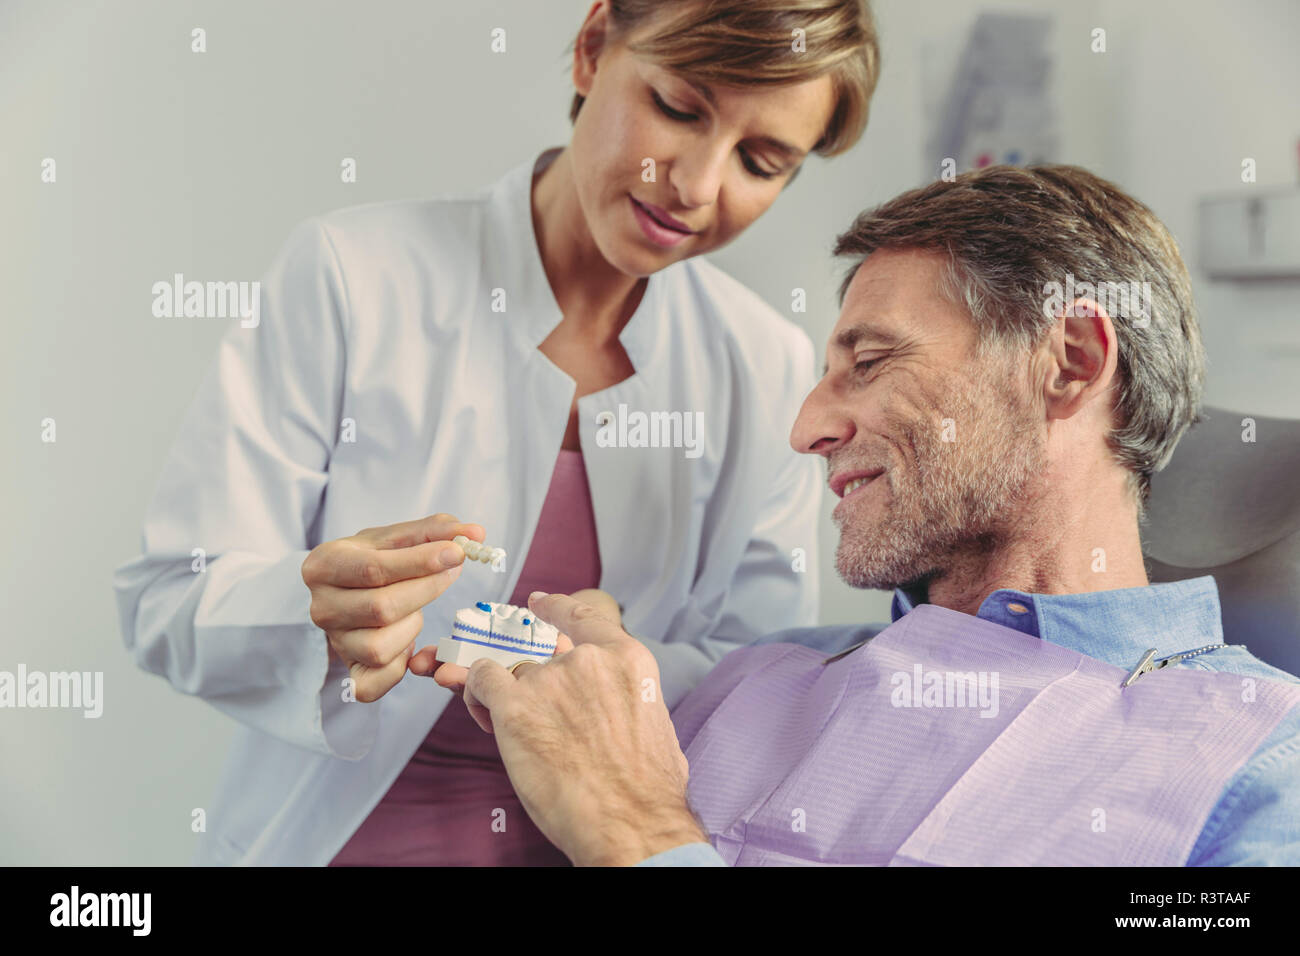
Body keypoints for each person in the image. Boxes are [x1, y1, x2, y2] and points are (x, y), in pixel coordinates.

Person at [111, 0, 881, 865]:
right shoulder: (353, 275)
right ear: (593, 48)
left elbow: (754, 682)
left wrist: (588, 663)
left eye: (760, 161)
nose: (697, 186)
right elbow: (167, 600)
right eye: (677, 107)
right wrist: (317, 618)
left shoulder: (767, 365)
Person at [432, 164, 1300, 866]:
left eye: (872, 362)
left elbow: (631, 826)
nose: (808, 429)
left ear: (1068, 362)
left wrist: (644, 838)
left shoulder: (1262, 768)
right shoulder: (748, 683)